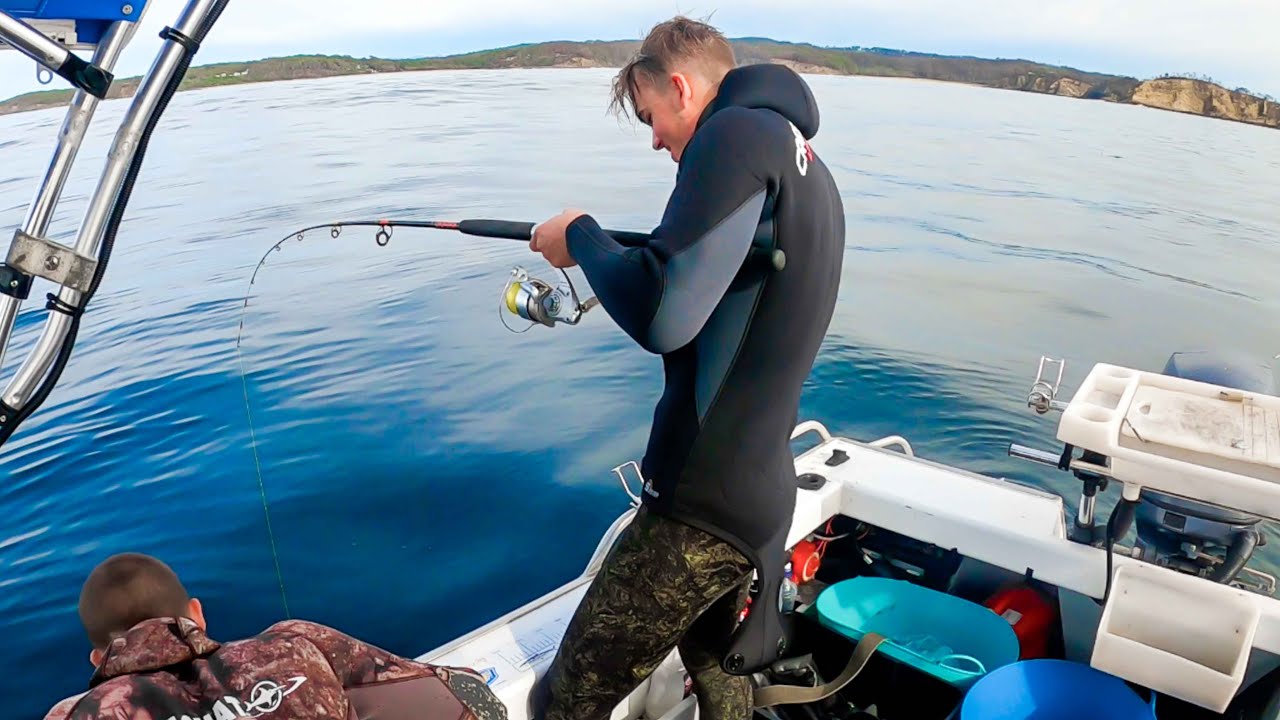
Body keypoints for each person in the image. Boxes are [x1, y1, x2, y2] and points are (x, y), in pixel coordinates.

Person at [528, 15, 845, 720]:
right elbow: (730, 283)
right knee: (712, 662)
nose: (655, 140)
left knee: (565, 700)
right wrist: (621, 254)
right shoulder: (804, 162)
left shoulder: (731, 137)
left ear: (679, 87)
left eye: (651, 117)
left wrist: (580, 233)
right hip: (760, 495)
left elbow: (663, 311)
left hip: (698, 510)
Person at [43, 552, 508, 720]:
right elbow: (467, 692)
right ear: (197, 615)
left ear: (98, 658)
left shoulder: (73, 715)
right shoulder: (292, 641)